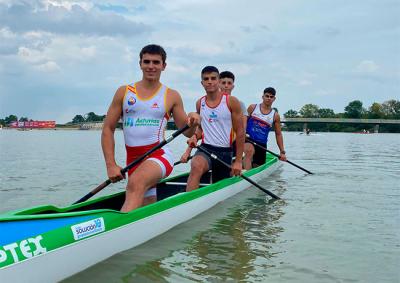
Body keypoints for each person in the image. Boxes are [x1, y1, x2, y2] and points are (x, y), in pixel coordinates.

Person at [102, 44, 200, 212]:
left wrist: (194, 119)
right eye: (146, 62)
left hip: (159, 155)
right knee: (146, 204)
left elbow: (188, 132)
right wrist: (111, 165)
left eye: (156, 62)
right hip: (132, 160)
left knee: (136, 184)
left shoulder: (171, 95)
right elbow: (108, 129)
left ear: (164, 66)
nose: (151, 66)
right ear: (140, 64)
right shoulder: (124, 92)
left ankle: (122, 233)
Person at [184, 66, 244, 192]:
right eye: (206, 79)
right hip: (205, 148)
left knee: (219, 188)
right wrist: (194, 137)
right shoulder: (200, 103)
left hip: (225, 152)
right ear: (202, 83)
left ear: (218, 81)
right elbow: (200, 128)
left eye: (213, 78)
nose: (209, 81)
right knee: (196, 166)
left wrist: (238, 161)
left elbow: (240, 132)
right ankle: (189, 202)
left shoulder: (231, 101)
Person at [180, 70, 246, 162]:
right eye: (223, 83)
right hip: (209, 147)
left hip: (232, 144)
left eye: (229, 83)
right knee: (197, 165)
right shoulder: (203, 103)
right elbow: (201, 129)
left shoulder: (238, 104)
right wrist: (187, 152)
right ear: (219, 84)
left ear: (233, 86)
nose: (226, 86)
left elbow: (242, 130)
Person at [243, 87, 287, 170]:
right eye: (267, 96)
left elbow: (278, 134)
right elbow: (243, 122)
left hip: (261, 144)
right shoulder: (252, 107)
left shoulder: (275, 115)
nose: (269, 98)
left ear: (274, 99)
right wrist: (243, 133)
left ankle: (246, 166)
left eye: (271, 97)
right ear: (262, 97)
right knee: (249, 152)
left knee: (257, 167)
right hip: (248, 139)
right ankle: (247, 174)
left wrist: (282, 152)